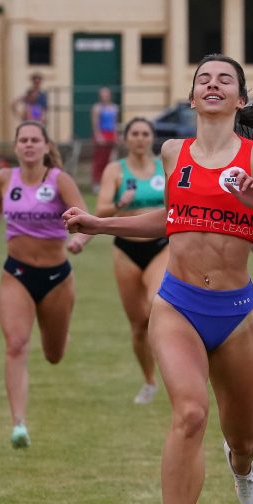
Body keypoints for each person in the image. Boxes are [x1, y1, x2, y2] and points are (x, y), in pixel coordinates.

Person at [64, 54, 253, 504]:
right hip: (176, 304)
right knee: (190, 413)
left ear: (239, 99)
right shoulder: (174, 152)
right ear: (193, 97)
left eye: (225, 80)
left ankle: (241, 464)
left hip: (236, 312)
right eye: (204, 79)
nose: (213, 85)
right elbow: (169, 220)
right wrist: (101, 224)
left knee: (245, 438)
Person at [0, 121, 90, 449]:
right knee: (16, 344)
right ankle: (18, 424)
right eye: (22, 140)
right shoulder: (3, 179)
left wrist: (79, 239)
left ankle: (58, 335)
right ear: (16, 146)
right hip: (16, 274)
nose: (28, 145)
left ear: (45, 146)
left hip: (56, 278)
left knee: (54, 354)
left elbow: (85, 219)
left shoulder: (59, 180)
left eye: (34, 140)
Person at [95, 117, 169, 405]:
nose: (140, 138)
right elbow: (101, 209)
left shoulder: (166, 167)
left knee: (156, 303)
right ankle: (149, 381)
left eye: (145, 133)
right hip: (126, 249)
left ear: (152, 138)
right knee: (138, 324)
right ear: (126, 139)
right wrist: (120, 204)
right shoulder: (116, 170)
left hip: (162, 245)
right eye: (135, 133)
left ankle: (175, 368)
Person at [90, 86, 120, 193]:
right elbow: (95, 123)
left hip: (111, 134)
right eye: (103, 95)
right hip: (102, 134)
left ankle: (110, 183)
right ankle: (96, 183)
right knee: (99, 160)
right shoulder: (97, 108)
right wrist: (98, 136)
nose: (105, 97)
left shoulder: (114, 108)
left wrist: (116, 135)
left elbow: (115, 123)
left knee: (111, 160)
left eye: (106, 95)